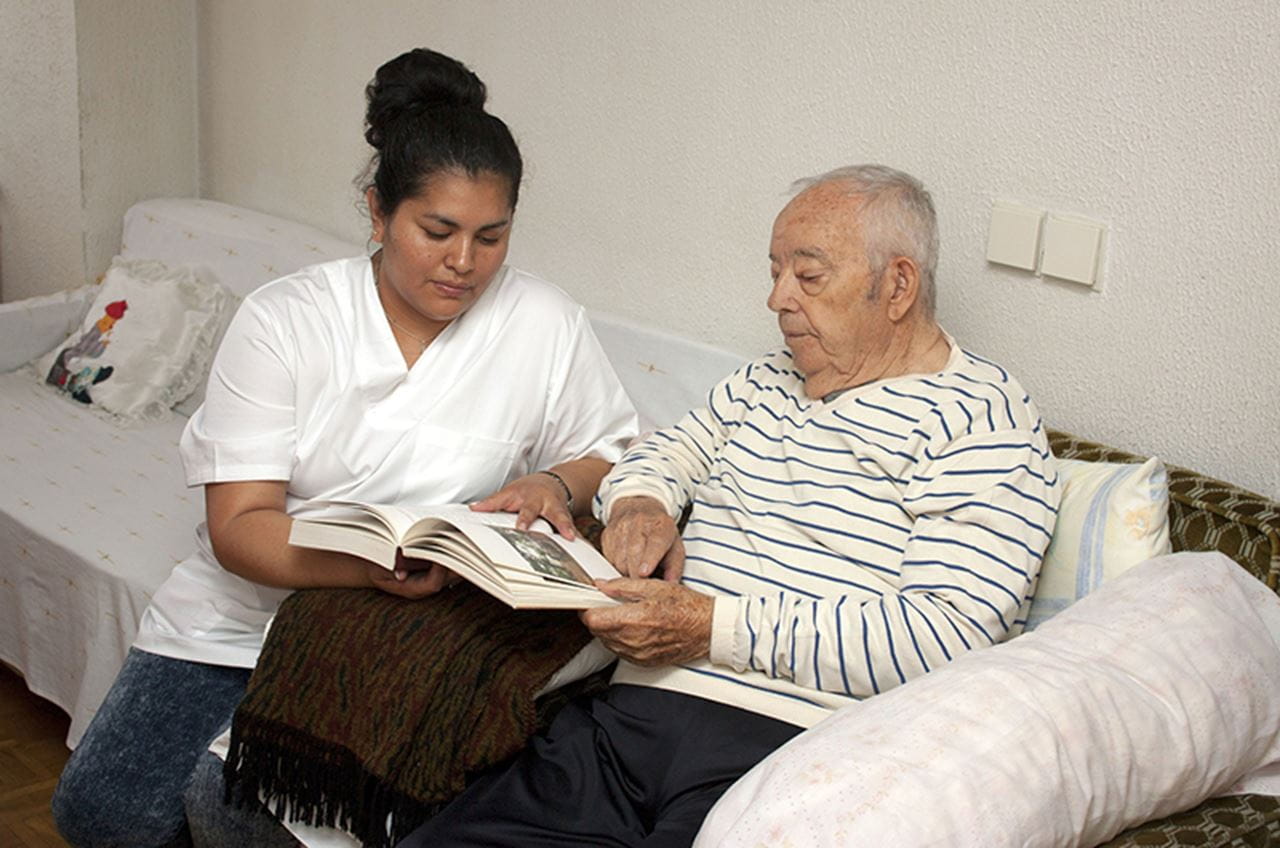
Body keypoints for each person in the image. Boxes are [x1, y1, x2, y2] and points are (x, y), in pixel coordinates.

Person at [50, 47, 638, 848]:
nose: (464, 263)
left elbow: (606, 450)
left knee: (227, 808)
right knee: (101, 814)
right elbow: (241, 526)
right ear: (376, 212)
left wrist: (552, 482)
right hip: (243, 614)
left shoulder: (543, 320)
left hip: (398, 631)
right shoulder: (286, 321)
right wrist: (364, 564)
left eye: (491, 237)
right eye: (438, 231)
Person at [395, 164, 1062, 847]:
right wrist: (641, 506)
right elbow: (661, 454)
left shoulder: (981, 419)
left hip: (798, 757)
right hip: (628, 720)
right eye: (774, 272)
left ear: (896, 285)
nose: (777, 299)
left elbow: (943, 637)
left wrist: (712, 629)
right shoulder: (767, 379)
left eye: (807, 276)